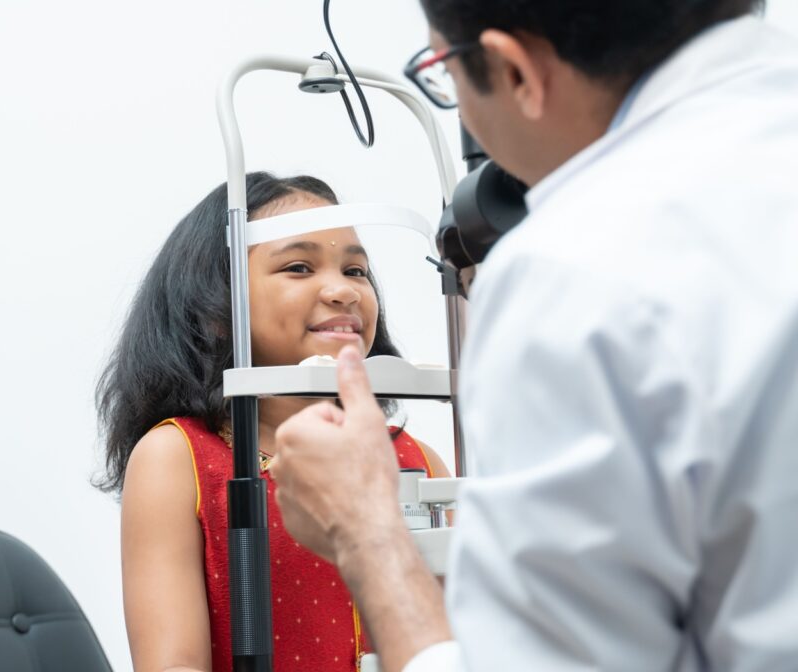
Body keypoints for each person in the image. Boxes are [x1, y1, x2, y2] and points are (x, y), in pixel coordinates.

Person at [271, 1, 798, 671]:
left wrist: (366, 535)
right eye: (296, 265)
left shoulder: (575, 267)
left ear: (516, 71)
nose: (341, 289)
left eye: (442, 69)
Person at [95, 172, 450, 671]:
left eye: (356, 270)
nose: (344, 291)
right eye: (300, 266)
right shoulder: (177, 460)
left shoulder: (418, 462)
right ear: (215, 307)